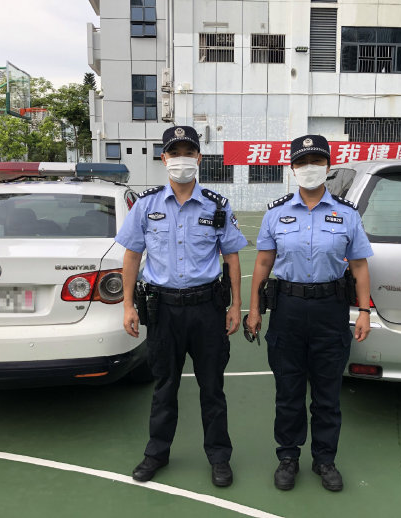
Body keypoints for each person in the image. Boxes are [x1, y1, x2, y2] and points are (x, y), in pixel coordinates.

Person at [115, 125, 247, 487]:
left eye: (189, 153)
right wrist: (128, 306)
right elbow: (132, 256)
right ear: (164, 159)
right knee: (164, 386)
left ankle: (219, 457)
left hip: (207, 309)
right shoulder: (146, 206)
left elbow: (232, 257)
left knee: (212, 388)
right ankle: (156, 453)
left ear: (199, 158)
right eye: (175, 153)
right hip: (163, 310)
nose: (182, 160)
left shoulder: (218, 205)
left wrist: (235, 305)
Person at [245, 134, 373, 492]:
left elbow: (359, 265)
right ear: (292, 168)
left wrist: (364, 310)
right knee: (288, 391)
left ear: (327, 166)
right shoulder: (276, 213)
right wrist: (254, 309)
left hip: (331, 309)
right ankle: (288, 457)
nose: (309, 168)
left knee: (327, 392)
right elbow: (263, 263)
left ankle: (324, 459)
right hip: (287, 308)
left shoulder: (347, 214)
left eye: (316, 161)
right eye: (302, 162)